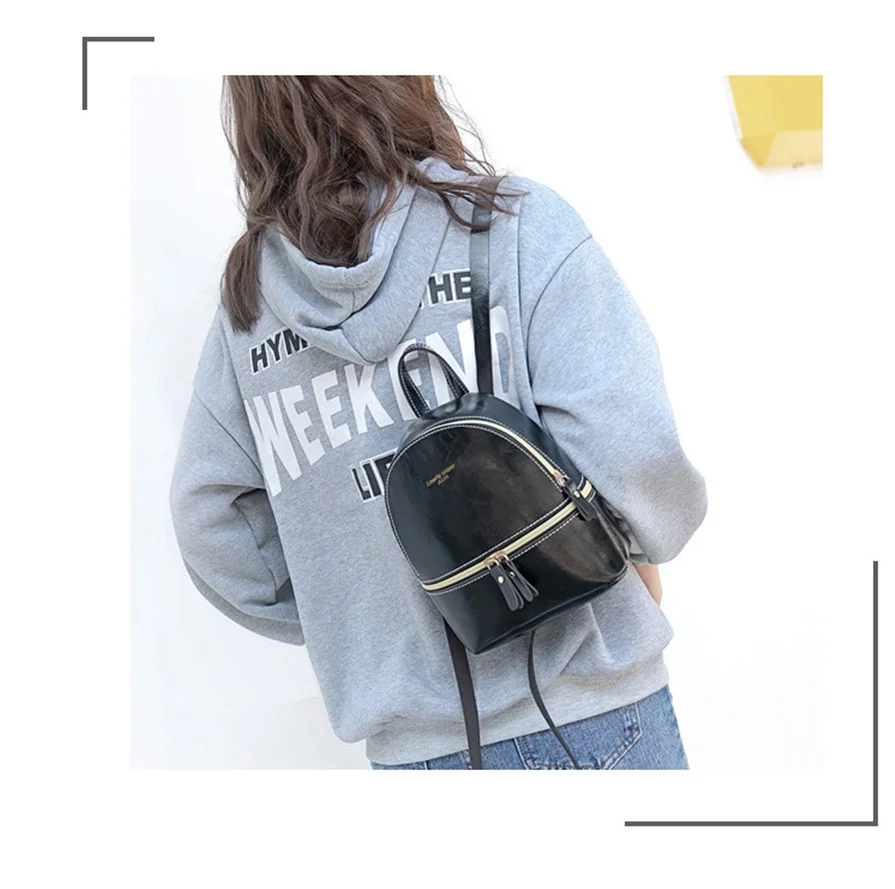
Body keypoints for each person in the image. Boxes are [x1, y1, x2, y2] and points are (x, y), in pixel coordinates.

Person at [169, 75, 707, 770]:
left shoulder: (247, 315)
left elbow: (209, 523)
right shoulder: (512, 227)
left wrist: (361, 615)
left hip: (416, 757)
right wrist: (627, 548)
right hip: (594, 715)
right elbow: (634, 454)